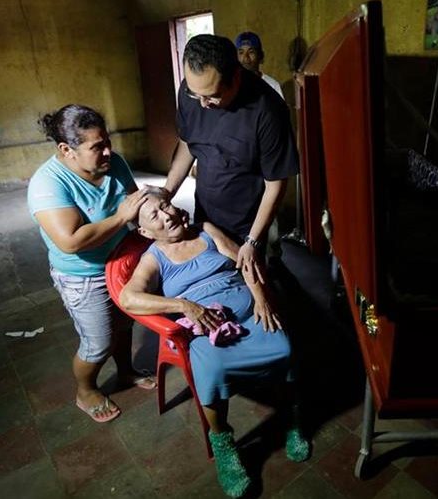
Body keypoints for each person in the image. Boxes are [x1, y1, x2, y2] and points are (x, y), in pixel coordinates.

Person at [118, 195, 310, 497]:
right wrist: (183, 306)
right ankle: (223, 444)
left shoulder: (205, 230)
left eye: (164, 206)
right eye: (154, 216)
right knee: (213, 368)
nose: (165, 216)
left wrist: (261, 297)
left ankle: (292, 418)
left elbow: (244, 261)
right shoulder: (154, 257)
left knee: (284, 348)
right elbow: (128, 298)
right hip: (208, 330)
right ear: (145, 232)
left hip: (250, 311)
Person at [27, 104, 156, 424]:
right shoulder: (48, 184)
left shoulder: (115, 163)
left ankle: (125, 371)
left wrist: (158, 213)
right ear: (66, 149)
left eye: (107, 141)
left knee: (125, 323)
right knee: (98, 341)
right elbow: (70, 241)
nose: (108, 151)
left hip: (121, 261)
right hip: (82, 275)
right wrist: (122, 216)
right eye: (97, 146)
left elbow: (134, 203)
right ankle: (85, 389)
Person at [163, 34, 298, 282]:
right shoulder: (191, 91)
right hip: (206, 213)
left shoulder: (268, 110)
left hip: (249, 221)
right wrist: (167, 191)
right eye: (196, 95)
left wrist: (253, 241)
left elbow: (275, 183)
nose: (202, 104)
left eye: (212, 96)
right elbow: (188, 143)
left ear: (235, 77)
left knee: (257, 285)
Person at [235, 31, 284, 99]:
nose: (246, 58)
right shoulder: (231, 86)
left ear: (260, 56)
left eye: (251, 52)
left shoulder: (272, 85)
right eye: (241, 53)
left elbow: (281, 109)